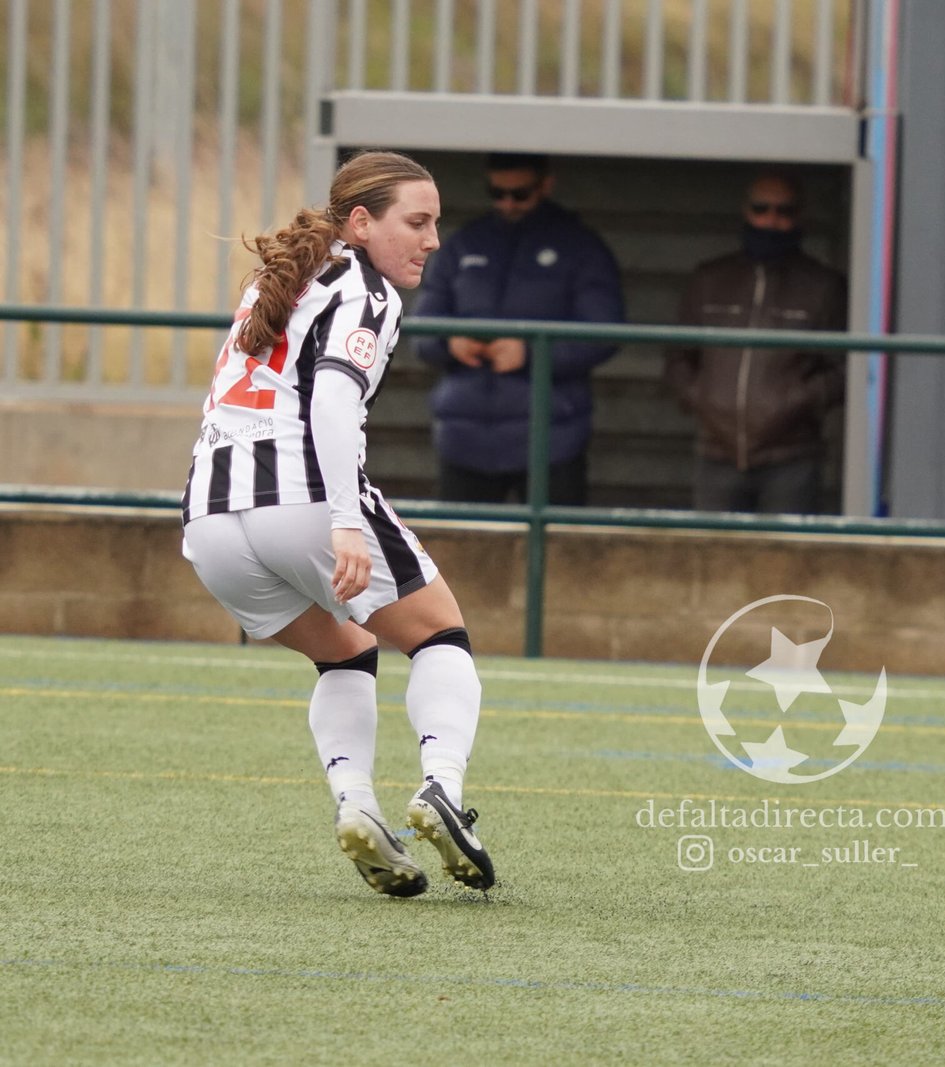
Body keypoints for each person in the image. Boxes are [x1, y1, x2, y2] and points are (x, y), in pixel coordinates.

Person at [181, 151, 494, 897]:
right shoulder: (367, 289)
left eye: (437, 224)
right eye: (416, 222)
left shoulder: (281, 276)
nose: (433, 240)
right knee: (441, 635)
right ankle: (442, 787)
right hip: (303, 499)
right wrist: (346, 524)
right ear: (361, 221)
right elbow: (330, 400)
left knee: (347, 652)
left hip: (210, 518)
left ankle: (357, 806)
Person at [415, 152, 624, 506]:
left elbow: (604, 332)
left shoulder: (579, 245)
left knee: (554, 554)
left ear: (546, 186)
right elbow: (421, 328)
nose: (508, 203)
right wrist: (450, 343)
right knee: (463, 553)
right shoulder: (464, 243)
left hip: (551, 440)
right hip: (464, 439)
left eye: (521, 194)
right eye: (497, 193)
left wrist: (530, 353)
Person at [665, 172, 847, 513]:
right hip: (715, 455)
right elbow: (678, 356)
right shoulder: (709, 279)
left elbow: (845, 368)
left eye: (784, 211)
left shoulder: (823, 286)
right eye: (761, 208)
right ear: (745, 211)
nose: (771, 220)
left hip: (792, 459)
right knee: (714, 557)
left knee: (787, 561)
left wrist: (795, 401)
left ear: (800, 216)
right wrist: (702, 398)